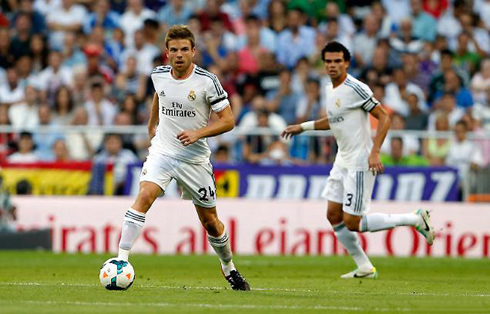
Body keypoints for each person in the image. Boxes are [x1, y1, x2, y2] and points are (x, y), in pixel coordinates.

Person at [281, 42, 435, 279]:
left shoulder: (356, 88)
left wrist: (375, 152)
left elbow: (384, 117)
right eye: (329, 61)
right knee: (333, 215)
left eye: (337, 61)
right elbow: (334, 120)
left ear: (346, 63)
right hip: (342, 160)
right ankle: (364, 266)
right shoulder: (329, 89)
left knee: (352, 222)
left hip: (360, 162)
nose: (332, 65)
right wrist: (303, 127)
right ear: (324, 64)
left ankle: (415, 219)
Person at [113, 25, 250, 291]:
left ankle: (228, 267)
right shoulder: (158, 75)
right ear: (166, 53)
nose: (179, 54)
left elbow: (229, 120)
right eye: (174, 50)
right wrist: (152, 125)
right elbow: (159, 96)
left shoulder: (207, 81)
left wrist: (199, 133)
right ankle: (121, 260)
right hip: (163, 152)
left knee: (210, 221)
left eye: (184, 49)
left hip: (194, 160)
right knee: (144, 196)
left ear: (193, 51)